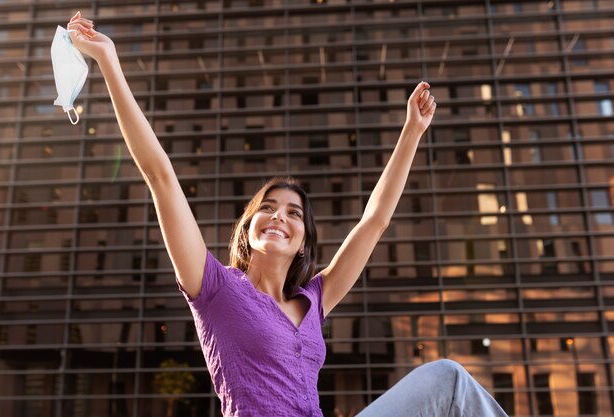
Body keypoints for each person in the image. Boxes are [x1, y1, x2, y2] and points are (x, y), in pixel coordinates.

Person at [67, 11, 509, 417]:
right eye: (269, 208)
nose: (280, 217)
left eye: (293, 213)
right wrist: (109, 61)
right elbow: (159, 175)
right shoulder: (216, 287)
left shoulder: (315, 298)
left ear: (303, 239)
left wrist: (412, 131)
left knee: (449, 381)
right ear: (248, 227)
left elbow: (374, 221)